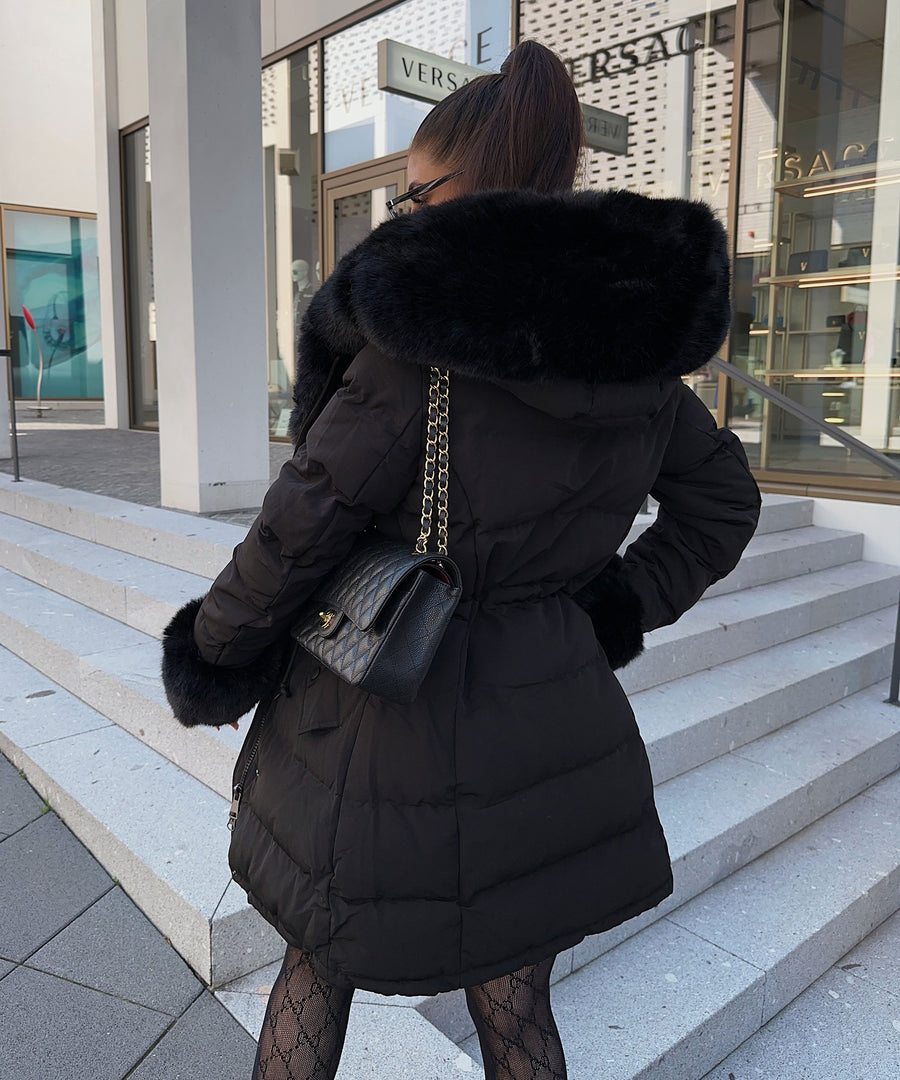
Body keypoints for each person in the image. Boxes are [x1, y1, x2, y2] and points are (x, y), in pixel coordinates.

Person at [162, 39, 760, 1080]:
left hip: (386, 721)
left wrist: (214, 650)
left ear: (468, 185)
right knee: (517, 1005)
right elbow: (723, 504)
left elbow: (297, 530)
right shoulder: (641, 361)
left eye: (413, 193)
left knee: (315, 969)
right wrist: (611, 606)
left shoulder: (415, 355)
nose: (401, 216)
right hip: (551, 720)